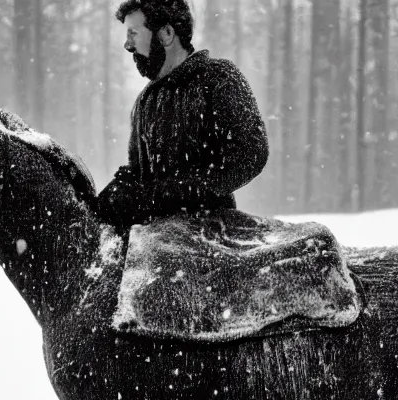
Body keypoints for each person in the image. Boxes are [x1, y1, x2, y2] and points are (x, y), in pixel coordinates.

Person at [95, 0, 269, 233]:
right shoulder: (144, 101)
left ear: (167, 34)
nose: (127, 44)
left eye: (133, 33)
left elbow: (251, 154)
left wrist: (178, 191)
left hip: (211, 241)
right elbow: (139, 174)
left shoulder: (219, 78)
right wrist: (115, 195)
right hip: (152, 242)